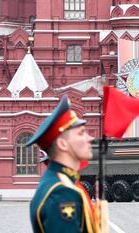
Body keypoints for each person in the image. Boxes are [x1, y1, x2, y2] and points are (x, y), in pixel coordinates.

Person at [28, 95, 98, 233]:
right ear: (62, 144)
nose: (90, 138)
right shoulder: (61, 193)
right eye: (81, 133)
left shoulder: (60, 182)